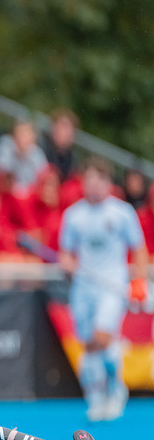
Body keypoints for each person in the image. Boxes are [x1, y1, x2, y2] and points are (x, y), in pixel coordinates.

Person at [59, 159, 149, 422]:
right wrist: (67, 263)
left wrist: (139, 281)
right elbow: (66, 253)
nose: (94, 185)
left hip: (111, 287)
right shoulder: (73, 215)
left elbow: (139, 249)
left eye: (100, 180)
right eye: (90, 180)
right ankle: (97, 397)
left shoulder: (122, 212)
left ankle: (116, 387)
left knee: (102, 338)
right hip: (83, 288)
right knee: (89, 346)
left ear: (109, 183)